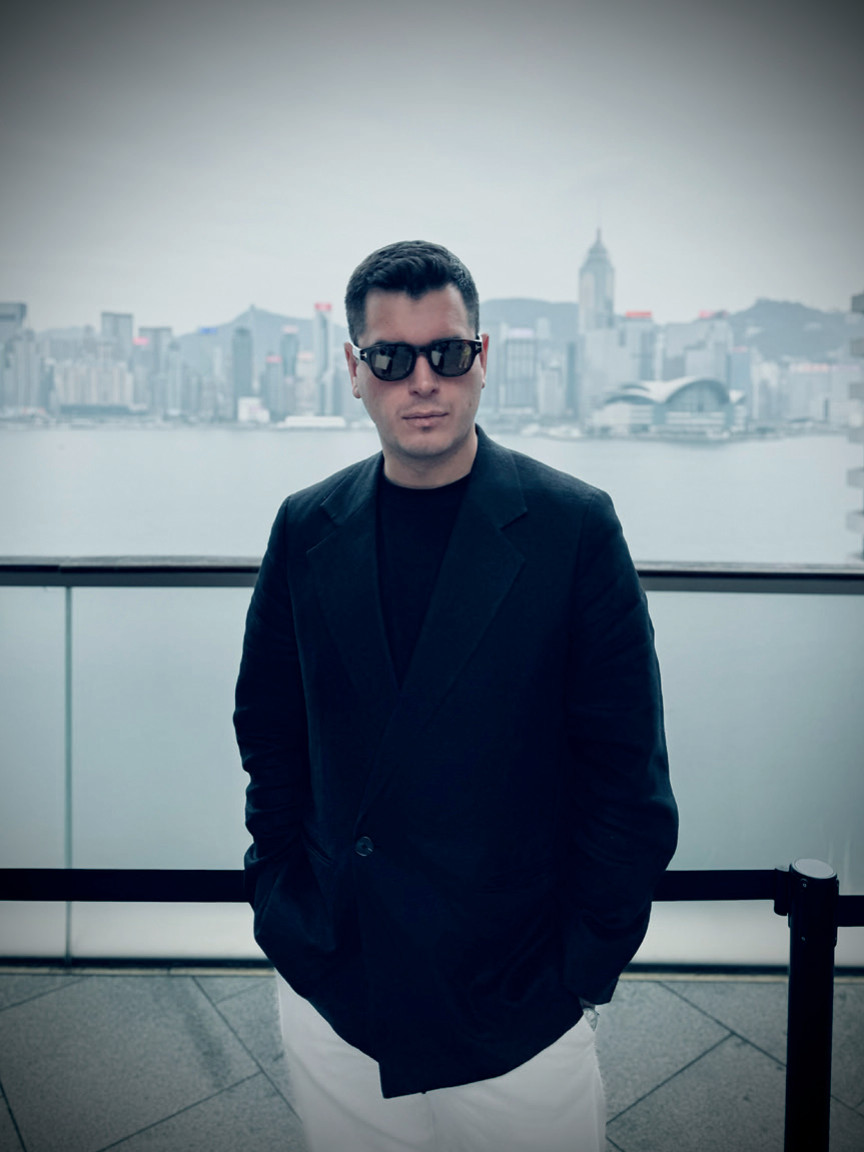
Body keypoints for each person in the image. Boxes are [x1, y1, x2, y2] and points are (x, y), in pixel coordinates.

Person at [233, 240, 678, 1152]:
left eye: (447, 351)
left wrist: (579, 968)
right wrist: (283, 901)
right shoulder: (306, 526)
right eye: (391, 358)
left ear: (484, 359)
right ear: (354, 371)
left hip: (515, 1004)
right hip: (339, 985)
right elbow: (268, 730)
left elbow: (625, 771)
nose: (422, 380)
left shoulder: (573, 527)